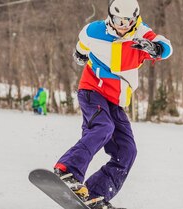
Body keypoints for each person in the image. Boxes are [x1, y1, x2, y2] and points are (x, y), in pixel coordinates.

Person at [53, 0, 172, 208]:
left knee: (127, 150)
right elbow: (82, 43)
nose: (123, 25)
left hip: (115, 101)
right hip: (92, 91)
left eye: (128, 21)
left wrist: (154, 48)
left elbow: (166, 47)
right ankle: (66, 171)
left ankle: (94, 193)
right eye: (118, 20)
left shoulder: (141, 34)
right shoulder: (95, 30)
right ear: (110, 16)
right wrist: (80, 53)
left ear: (135, 19)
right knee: (103, 128)